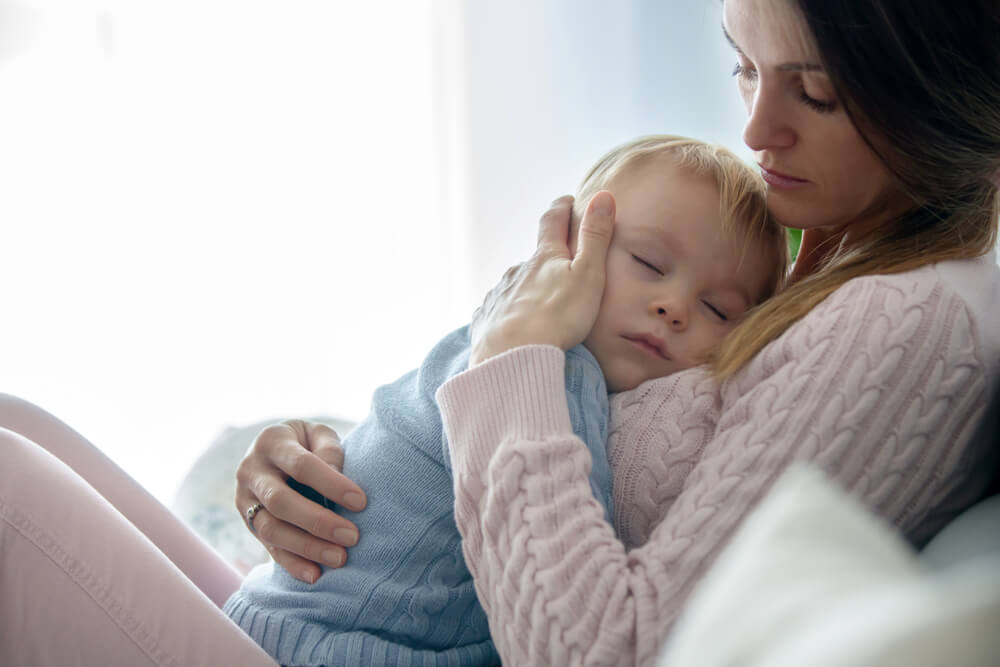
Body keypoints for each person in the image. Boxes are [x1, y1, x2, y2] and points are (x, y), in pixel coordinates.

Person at [236, 0, 1000, 665]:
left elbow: (612, 650)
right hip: (321, 601)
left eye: (817, 93)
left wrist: (511, 358)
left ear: (941, 93)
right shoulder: (817, 247)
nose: (757, 130)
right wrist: (335, 462)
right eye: (744, 64)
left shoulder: (904, 324)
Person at [222, 134, 788, 666]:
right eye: (647, 263)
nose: (675, 305)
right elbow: (573, 556)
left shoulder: (500, 340)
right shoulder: (550, 369)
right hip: (323, 649)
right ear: (565, 249)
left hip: (290, 619)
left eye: (718, 309)